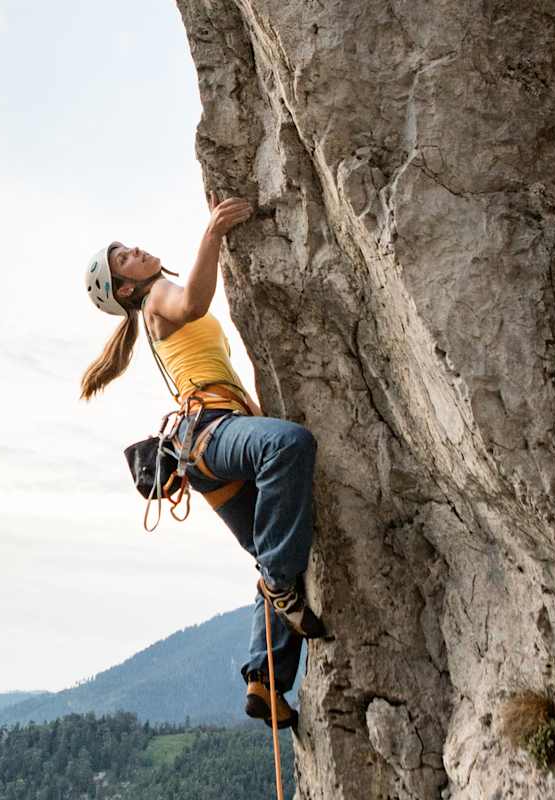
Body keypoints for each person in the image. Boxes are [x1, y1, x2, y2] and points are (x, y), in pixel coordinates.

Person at [79, 190, 327, 730]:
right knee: (290, 447)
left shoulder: (149, 308)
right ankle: (283, 589)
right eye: (125, 257)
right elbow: (194, 301)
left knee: (274, 548)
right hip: (210, 432)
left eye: (128, 247)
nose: (136, 250)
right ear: (125, 286)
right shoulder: (156, 298)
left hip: (207, 447)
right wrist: (212, 231)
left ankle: (266, 681)